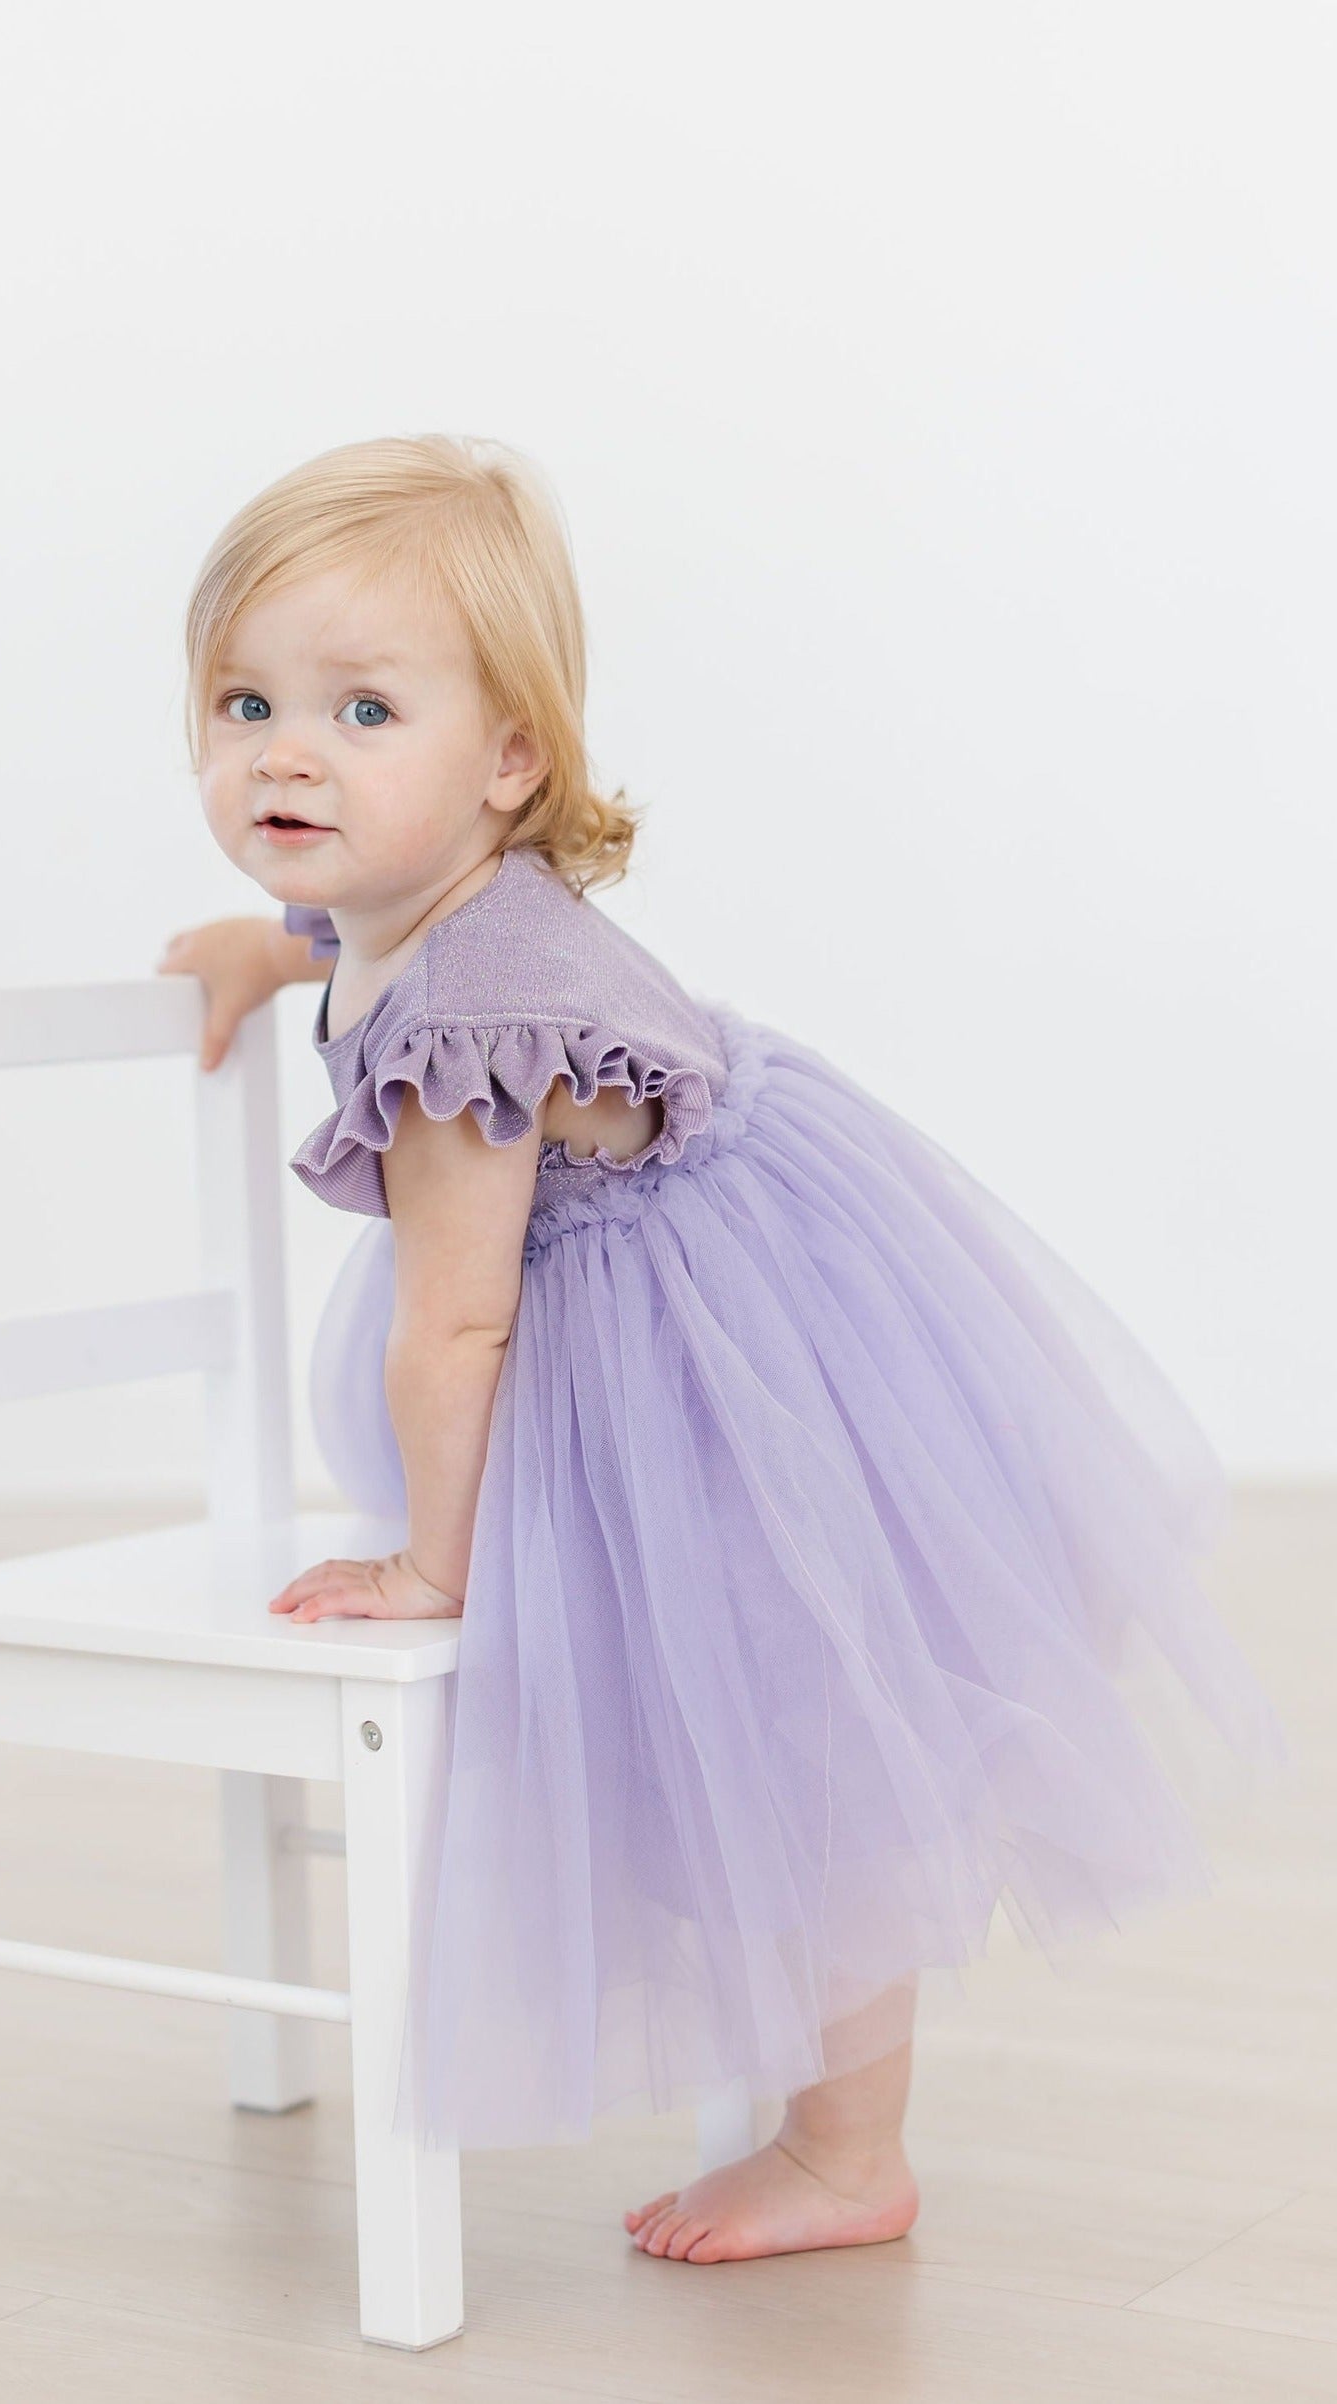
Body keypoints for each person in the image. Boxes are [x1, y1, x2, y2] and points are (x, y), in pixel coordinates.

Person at [157, 432, 1291, 2267]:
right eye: (244, 702)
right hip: (681, 1281)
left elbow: (457, 1321)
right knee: (739, 1729)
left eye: (364, 710)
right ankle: (826, 2124)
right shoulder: (407, 896)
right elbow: (345, 926)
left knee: (788, 1733)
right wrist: (261, 944)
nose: (288, 754)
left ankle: (848, 2154)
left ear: (509, 762)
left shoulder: (468, 1014)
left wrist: (434, 1565)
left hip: (703, 1351)